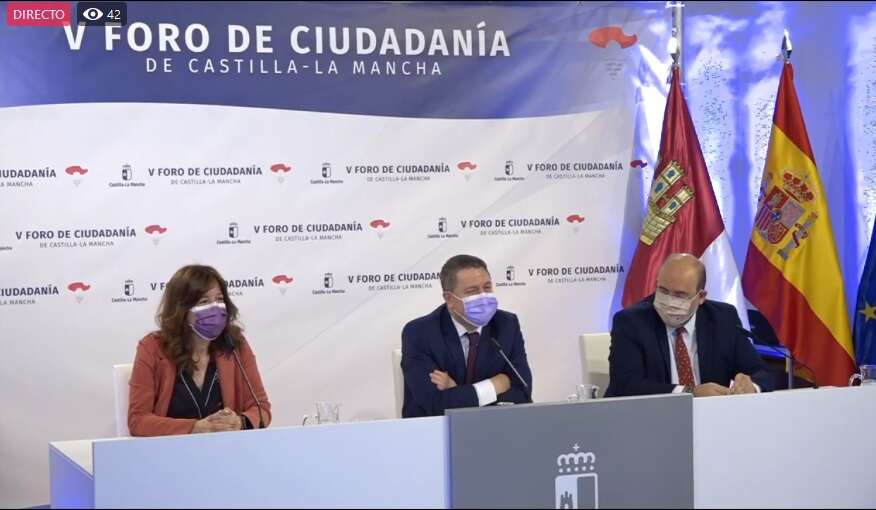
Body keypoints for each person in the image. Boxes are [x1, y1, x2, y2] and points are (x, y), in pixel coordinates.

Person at [128, 264, 271, 436]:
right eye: (204, 302)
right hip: (172, 449)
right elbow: (138, 420)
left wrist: (240, 422)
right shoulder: (152, 348)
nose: (215, 308)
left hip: (226, 448)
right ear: (181, 309)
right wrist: (195, 428)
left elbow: (261, 408)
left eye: (219, 299)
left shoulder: (234, 344)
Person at [605, 253, 772, 398]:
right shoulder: (632, 322)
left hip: (712, 417)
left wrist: (751, 386)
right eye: (663, 291)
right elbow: (625, 384)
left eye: (680, 295)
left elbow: (761, 373)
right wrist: (690, 392)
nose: (669, 301)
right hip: (651, 416)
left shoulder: (723, 319)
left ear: (701, 297)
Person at [401, 254, 533, 417]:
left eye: (487, 287)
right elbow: (435, 405)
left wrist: (456, 390)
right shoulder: (420, 333)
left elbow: (522, 393)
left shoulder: (506, 324)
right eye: (472, 291)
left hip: (494, 426)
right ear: (449, 299)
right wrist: (495, 385)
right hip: (435, 428)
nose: (483, 297)